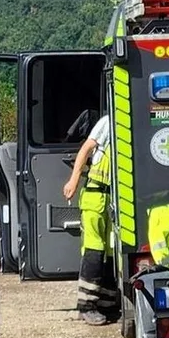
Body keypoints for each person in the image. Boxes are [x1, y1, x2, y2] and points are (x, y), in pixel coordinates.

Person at [62, 111, 118, 326]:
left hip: (114, 199)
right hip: (96, 195)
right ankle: (86, 306)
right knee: (94, 249)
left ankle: (106, 303)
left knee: (112, 251)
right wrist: (73, 180)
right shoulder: (109, 121)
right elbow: (87, 148)